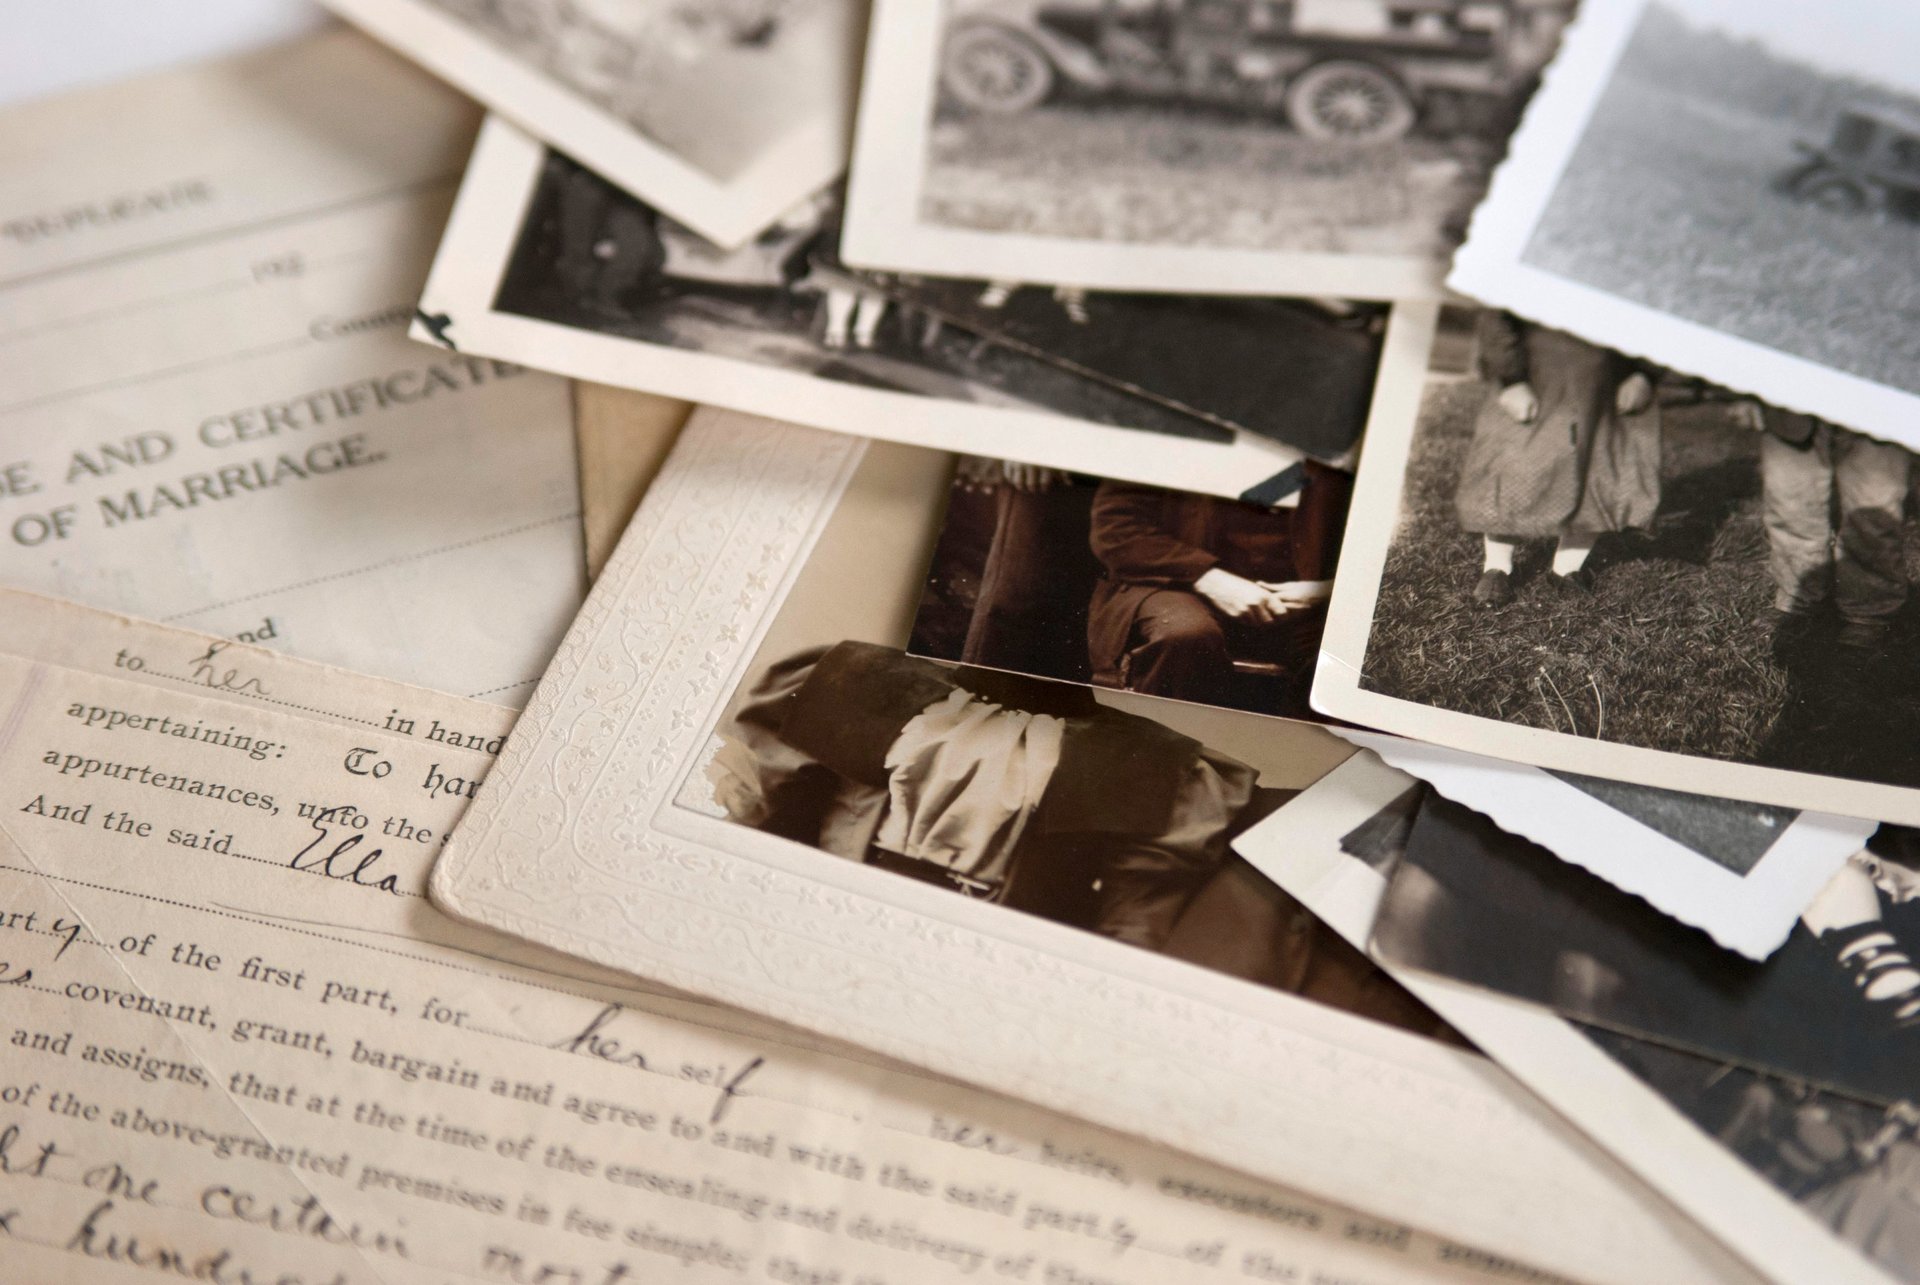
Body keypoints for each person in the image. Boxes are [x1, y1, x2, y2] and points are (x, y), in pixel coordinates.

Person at [1085, 468, 1349, 716]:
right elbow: (1115, 528)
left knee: (1342, 652)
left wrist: (1330, 590)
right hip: (1175, 584)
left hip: (1302, 599)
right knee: (1185, 635)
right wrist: (1208, 578)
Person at [1455, 312, 1660, 608]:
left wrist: (1645, 373)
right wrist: (1511, 378)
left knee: (1598, 467)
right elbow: (1496, 316)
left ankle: (1567, 568)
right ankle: (1497, 566)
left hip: (1608, 372)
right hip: (1537, 364)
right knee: (1517, 463)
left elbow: (1656, 321)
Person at [1754, 407, 1911, 652]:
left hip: (1877, 407)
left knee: (1873, 515)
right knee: (1792, 508)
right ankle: (1797, 601)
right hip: (1791, 405)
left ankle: (1869, 613)